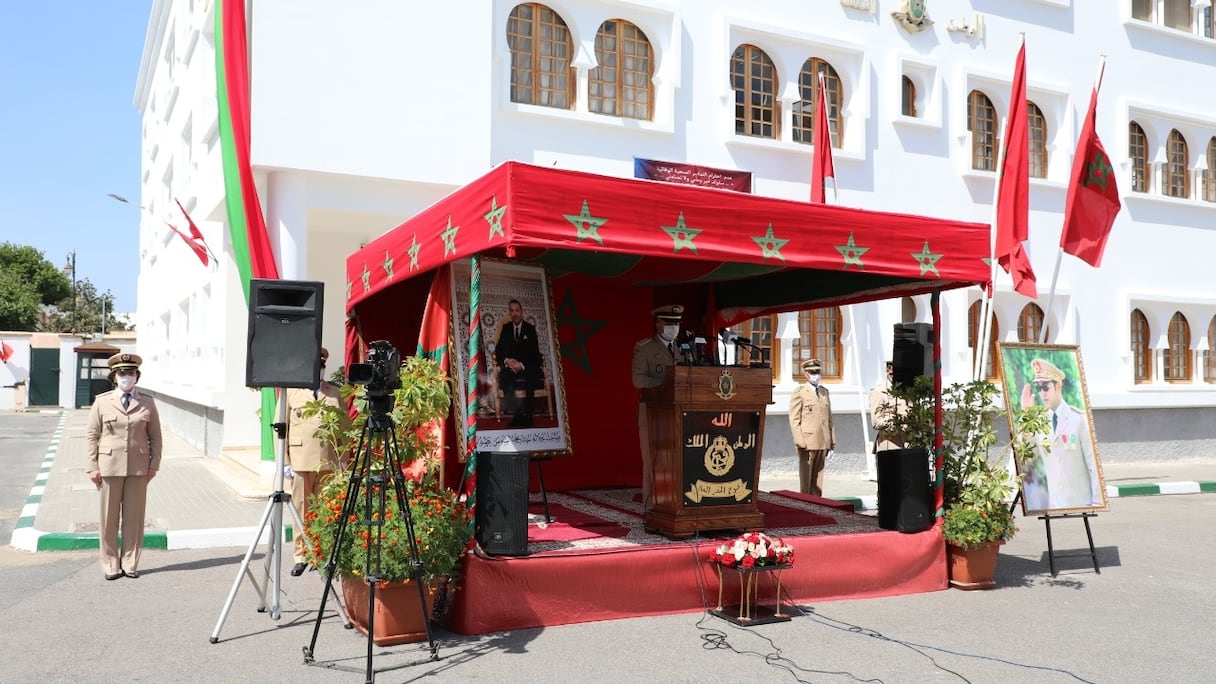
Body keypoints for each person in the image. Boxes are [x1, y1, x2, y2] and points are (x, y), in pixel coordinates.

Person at [86, 353, 162, 580]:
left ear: (137, 376)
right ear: (114, 377)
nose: (126, 377)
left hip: (139, 468)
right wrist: (92, 466)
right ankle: (110, 564)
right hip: (108, 467)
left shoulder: (147, 402)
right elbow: (91, 435)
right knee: (108, 519)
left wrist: (154, 465)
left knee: (134, 518)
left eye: (130, 373)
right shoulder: (102, 402)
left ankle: (130, 563)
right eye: (122, 373)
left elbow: (155, 436)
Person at [283, 346, 344, 576]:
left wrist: (343, 459)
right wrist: (285, 462)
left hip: (327, 460)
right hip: (300, 461)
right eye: (315, 366)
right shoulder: (292, 392)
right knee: (301, 508)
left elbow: (344, 427)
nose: (319, 370)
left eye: (321, 366)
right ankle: (301, 555)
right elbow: (283, 430)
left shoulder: (334, 393)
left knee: (326, 508)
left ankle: (322, 552)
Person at [1018, 358, 1103, 510]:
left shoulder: (1079, 419)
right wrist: (1026, 418)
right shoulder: (1038, 421)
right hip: (1054, 503)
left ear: (1058, 385)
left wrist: (1098, 500)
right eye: (1039, 388)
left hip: (1081, 503)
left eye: (1046, 387)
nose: (1042, 393)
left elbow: (1093, 464)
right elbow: (1027, 459)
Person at [632, 304, 684, 510]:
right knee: (653, 463)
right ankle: (651, 508)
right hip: (653, 414)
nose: (674, 327)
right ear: (658, 324)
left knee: (676, 462)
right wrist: (664, 384)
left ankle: (674, 505)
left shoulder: (682, 347)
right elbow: (638, 379)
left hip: (678, 414)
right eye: (670, 323)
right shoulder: (645, 348)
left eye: (677, 323)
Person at [788, 358, 836, 496]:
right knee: (806, 481)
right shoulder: (800, 392)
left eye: (818, 371)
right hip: (807, 441)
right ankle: (806, 506)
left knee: (818, 480)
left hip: (823, 440)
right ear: (806, 374)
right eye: (812, 372)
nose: (816, 374)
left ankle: (817, 505)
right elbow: (794, 418)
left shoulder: (824, 392)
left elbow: (829, 418)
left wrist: (831, 441)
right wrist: (799, 440)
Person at [494, 299, 543, 427]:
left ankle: (528, 416)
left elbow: (534, 353)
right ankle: (517, 415)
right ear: (510, 313)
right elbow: (498, 350)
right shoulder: (506, 329)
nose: (514, 313)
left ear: (521, 312)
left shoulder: (530, 329)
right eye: (512, 311)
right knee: (504, 377)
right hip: (511, 366)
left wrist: (521, 365)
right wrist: (507, 361)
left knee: (531, 374)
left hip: (526, 365)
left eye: (517, 310)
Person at [868, 360, 907, 453]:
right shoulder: (878, 392)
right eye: (892, 369)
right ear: (888, 370)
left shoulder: (906, 390)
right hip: (889, 443)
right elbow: (876, 422)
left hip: (907, 443)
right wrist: (896, 423)